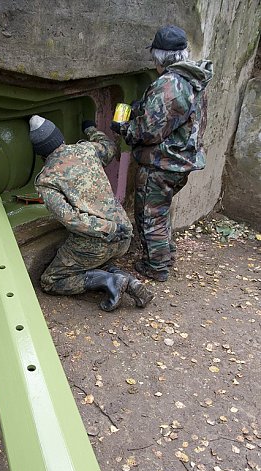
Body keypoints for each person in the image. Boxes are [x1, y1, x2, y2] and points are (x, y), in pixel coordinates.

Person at [111, 25, 213, 281]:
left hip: (161, 164)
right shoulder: (193, 77)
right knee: (161, 210)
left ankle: (156, 266)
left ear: (158, 57)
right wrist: (143, 108)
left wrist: (124, 128)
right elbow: (175, 118)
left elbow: (148, 132)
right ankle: (166, 254)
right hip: (182, 161)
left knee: (149, 216)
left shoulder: (168, 84)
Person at [28, 115, 154, 312]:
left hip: (99, 241)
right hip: (125, 233)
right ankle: (128, 282)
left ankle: (111, 281)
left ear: (40, 154)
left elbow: (71, 220)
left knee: (51, 281)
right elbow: (109, 147)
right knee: (91, 260)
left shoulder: (46, 179)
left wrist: (107, 229)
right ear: (60, 138)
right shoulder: (87, 149)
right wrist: (90, 128)